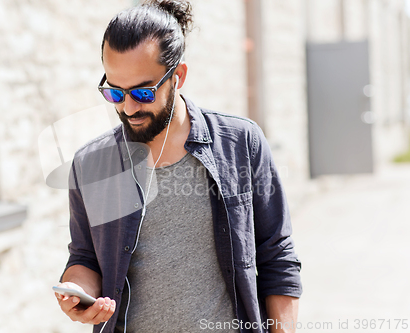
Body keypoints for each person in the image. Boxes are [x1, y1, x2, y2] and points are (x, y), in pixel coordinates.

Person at [55, 1, 302, 332]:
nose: (128, 108)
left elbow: (277, 256)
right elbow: (85, 259)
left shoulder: (241, 143)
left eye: (143, 92)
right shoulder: (91, 164)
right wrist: (79, 295)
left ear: (178, 77)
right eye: (115, 93)